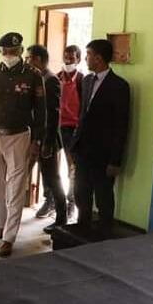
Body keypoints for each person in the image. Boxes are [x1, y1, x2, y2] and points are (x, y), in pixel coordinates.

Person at [0, 32, 45, 257]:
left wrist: (37, 140)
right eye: (5, 51)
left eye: (12, 51)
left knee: (15, 186)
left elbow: (41, 111)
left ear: (21, 51)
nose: (8, 55)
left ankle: (9, 237)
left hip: (19, 136)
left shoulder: (33, 75)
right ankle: (1, 223)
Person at [72, 39, 130, 226]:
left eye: (88, 55)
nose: (85, 59)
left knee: (103, 195)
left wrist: (115, 160)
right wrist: (74, 145)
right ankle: (82, 227)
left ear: (98, 58)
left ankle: (105, 232)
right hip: (83, 150)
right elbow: (83, 114)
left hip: (103, 153)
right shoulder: (87, 81)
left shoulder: (119, 86)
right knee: (81, 193)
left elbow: (121, 124)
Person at [35, 44, 83, 218]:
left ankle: (71, 203)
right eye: (66, 56)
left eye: (72, 57)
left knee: (72, 168)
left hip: (72, 128)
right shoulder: (57, 77)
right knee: (48, 167)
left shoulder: (81, 80)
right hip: (56, 127)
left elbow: (84, 106)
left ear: (78, 59)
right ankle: (50, 200)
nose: (68, 60)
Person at [25, 45, 67, 234]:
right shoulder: (34, 78)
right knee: (21, 174)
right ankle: (6, 211)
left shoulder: (50, 80)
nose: (27, 61)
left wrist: (48, 143)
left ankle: (61, 218)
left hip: (47, 139)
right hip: (33, 136)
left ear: (39, 59)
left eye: (29, 58)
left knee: (52, 178)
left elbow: (53, 114)